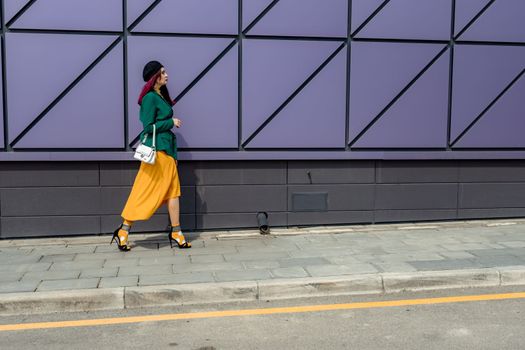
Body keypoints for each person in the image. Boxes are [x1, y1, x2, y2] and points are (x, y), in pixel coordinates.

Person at [111, 60, 191, 251]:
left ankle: (176, 231)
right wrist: (170, 122)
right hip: (158, 154)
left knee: (174, 193)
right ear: (155, 77)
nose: (167, 75)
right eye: (163, 72)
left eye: (165, 71)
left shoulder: (159, 96)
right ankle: (123, 230)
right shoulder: (149, 98)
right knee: (144, 191)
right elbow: (148, 128)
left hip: (167, 153)